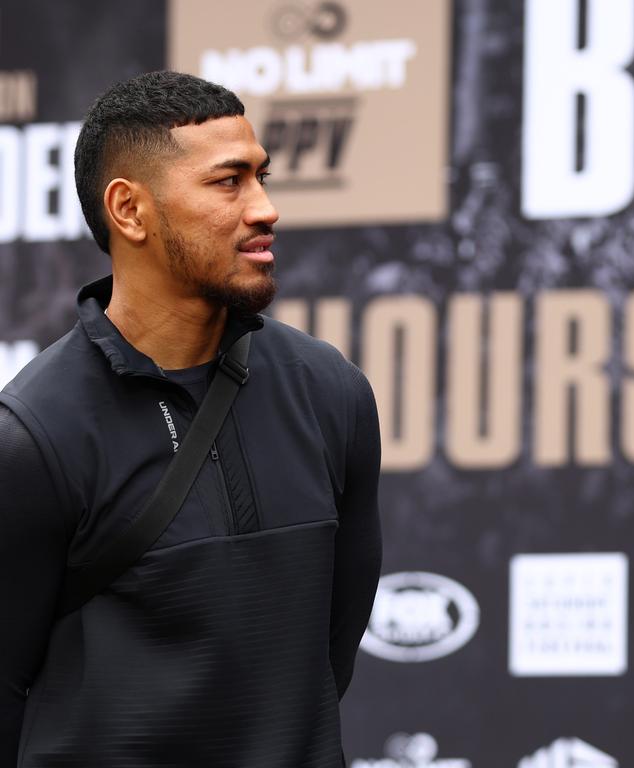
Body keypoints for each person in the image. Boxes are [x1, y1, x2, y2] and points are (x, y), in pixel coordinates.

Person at [0, 71, 382, 767]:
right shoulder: (34, 436)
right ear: (130, 210)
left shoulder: (332, 393)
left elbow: (330, 650)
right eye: (228, 182)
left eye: (261, 177)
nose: (265, 208)